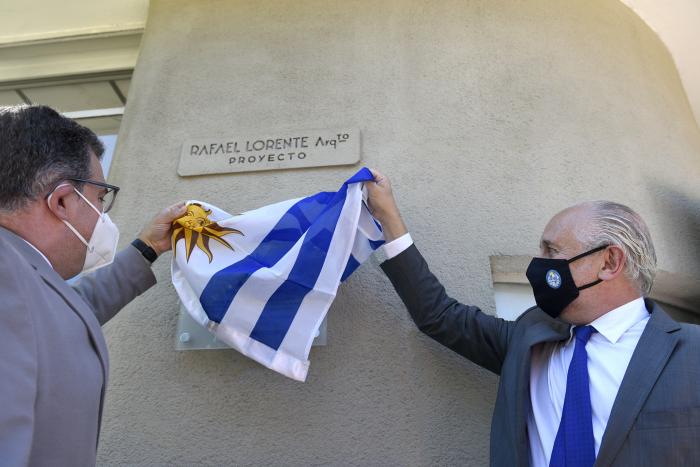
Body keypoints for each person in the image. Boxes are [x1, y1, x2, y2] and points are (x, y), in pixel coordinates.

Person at [365, 169, 700, 466]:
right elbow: (438, 315)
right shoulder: (529, 336)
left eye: (552, 251)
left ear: (609, 262)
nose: (538, 265)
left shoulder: (691, 352)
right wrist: (388, 217)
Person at [0, 105, 186, 466]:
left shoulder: (21, 271)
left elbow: (64, 314)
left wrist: (147, 249)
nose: (103, 214)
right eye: (100, 197)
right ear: (63, 201)